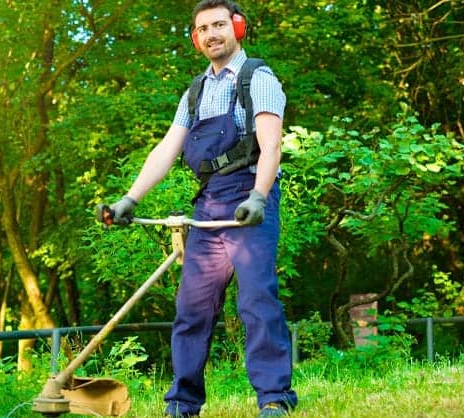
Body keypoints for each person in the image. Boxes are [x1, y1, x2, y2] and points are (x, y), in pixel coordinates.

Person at [96, 0, 297, 417]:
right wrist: (129, 199)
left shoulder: (256, 77)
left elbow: (271, 144)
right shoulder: (196, 91)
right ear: (195, 38)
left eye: (219, 24)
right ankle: (182, 403)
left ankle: (274, 399)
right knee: (192, 308)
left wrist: (259, 195)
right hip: (209, 203)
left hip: (249, 195)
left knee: (257, 301)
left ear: (237, 28)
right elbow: (166, 149)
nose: (211, 34)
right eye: (203, 28)